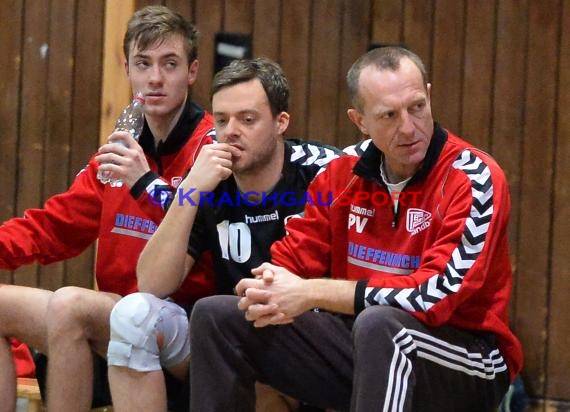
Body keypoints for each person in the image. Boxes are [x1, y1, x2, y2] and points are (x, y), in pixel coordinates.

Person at [188, 46, 524, 412]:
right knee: (217, 316)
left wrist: (312, 292)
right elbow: (291, 260)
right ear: (360, 120)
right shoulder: (341, 174)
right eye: (389, 116)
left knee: (382, 326)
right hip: (366, 344)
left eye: (417, 107)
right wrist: (264, 288)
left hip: (468, 360)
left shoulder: (473, 178)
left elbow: (433, 297)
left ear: (429, 95)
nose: (408, 127)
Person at [0, 5, 215, 411]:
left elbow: (201, 237)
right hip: (112, 318)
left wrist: (143, 184)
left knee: (70, 304)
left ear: (192, 71)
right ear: (128, 70)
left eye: (169, 64)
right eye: (143, 64)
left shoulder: (211, 149)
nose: (155, 78)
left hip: (181, 325)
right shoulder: (121, 151)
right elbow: (52, 228)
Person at [106, 57, 341, 411]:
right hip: (230, 335)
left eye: (247, 120)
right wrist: (190, 191)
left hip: (308, 341)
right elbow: (152, 283)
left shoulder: (324, 173)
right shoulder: (210, 178)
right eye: (221, 120)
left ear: (281, 123)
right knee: (133, 315)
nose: (230, 131)